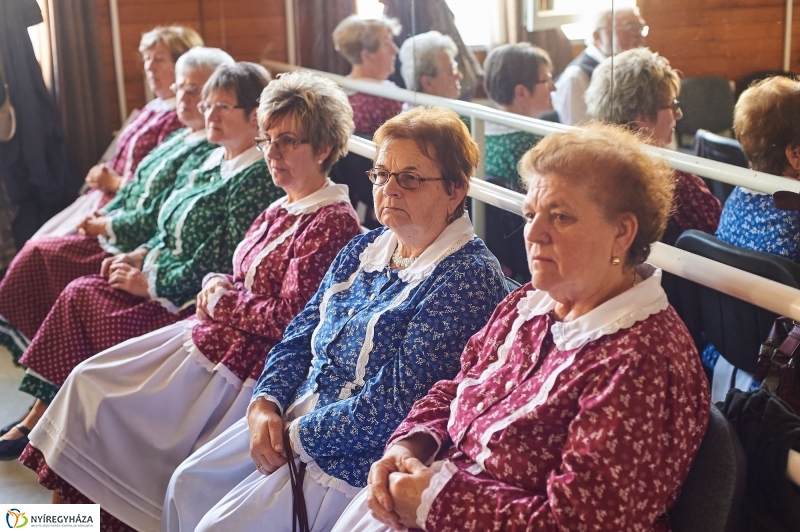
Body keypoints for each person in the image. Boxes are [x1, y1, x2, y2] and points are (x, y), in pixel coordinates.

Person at [20, 70, 364, 531]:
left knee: (102, 403)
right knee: (84, 385)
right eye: (267, 141)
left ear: (324, 148)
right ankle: (56, 524)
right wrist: (217, 280)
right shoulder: (282, 204)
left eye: (288, 141)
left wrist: (221, 302)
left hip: (243, 365)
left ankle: (68, 522)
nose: (273, 154)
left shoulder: (331, 221)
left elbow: (296, 319)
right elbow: (241, 269)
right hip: (209, 335)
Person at [332, 123, 710, 532]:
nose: (534, 232)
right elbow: (458, 386)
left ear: (622, 232)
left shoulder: (643, 362)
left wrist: (433, 501)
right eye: (531, 214)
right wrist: (410, 444)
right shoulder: (531, 302)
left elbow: (580, 524)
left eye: (561, 217)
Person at [160, 106, 509, 532]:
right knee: (187, 485)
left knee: (218, 526)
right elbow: (299, 333)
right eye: (381, 174)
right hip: (294, 414)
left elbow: (395, 403)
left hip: (351, 455)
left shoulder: (466, 277)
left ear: (455, 190)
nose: (390, 189)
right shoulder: (366, 247)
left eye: (410, 178)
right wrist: (265, 403)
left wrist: (293, 436)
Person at [0, 62, 281, 461]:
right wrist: (140, 253)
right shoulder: (214, 159)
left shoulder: (255, 178)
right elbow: (166, 223)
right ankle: (44, 419)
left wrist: (150, 283)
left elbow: (224, 261)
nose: (209, 115)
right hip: (157, 270)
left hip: (183, 302)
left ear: (254, 116)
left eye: (222, 107)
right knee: (78, 289)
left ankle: (48, 425)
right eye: (208, 105)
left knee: (81, 297)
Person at [0, 47, 233, 366]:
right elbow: (137, 187)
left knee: (45, 262)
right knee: (38, 255)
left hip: (138, 248)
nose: (184, 96)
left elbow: (158, 217)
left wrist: (112, 230)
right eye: (181, 87)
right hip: (130, 239)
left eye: (195, 90)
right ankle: (42, 363)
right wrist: (107, 215)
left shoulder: (211, 150)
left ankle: (49, 370)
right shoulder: (182, 136)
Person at [32, 25, 204, 238]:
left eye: (159, 59)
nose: (149, 67)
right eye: (147, 58)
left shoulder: (181, 119)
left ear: (182, 66)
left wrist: (113, 181)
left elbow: (162, 183)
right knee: (38, 239)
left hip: (128, 207)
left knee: (42, 249)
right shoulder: (152, 108)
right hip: (104, 195)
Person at [701, 76, 800, 401]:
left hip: (728, 357)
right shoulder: (794, 223)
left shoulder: (737, 198)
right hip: (785, 375)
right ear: (795, 155)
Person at [585, 47, 722, 243]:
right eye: (672, 105)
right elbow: (718, 238)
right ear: (641, 118)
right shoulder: (678, 182)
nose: (678, 114)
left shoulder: (589, 165)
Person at [481, 43, 554, 282]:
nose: (553, 87)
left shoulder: (479, 131)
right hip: (535, 244)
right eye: (547, 80)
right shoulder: (538, 145)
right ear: (522, 92)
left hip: (500, 251)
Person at [330, 15, 403, 226]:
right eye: (387, 42)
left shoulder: (341, 92)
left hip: (361, 197)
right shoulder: (385, 99)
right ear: (367, 54)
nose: (394, 50)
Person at [553, 7, 647, 126]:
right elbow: (580, 133)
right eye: (630, 28)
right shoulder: (577, 76)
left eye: (640, 28)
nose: (638, 35)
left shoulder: (634, 69)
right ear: (597, 36)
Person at [397, 31, 462, 108]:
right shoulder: (419, 118)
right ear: (427, 83)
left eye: (455, 66)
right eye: (452, 70)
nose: (459, 76)